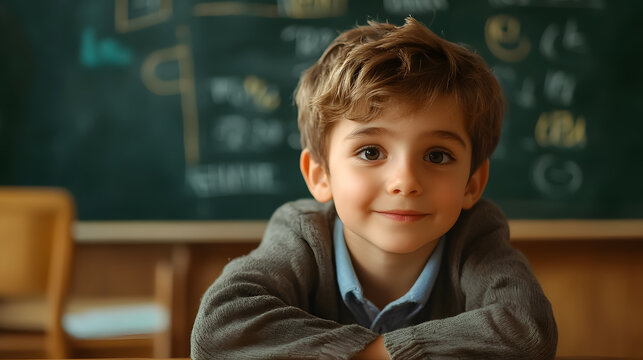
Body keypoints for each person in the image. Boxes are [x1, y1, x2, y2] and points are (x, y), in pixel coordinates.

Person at [191, 17, 557, 359]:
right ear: (320, 175)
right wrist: (371, 352)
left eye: (437, 155)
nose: (406, 182)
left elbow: (527, 330)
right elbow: (219, 329)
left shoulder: (475, 236)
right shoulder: (301, 234)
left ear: (472, 183)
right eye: (370, 152)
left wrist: (385, 351)